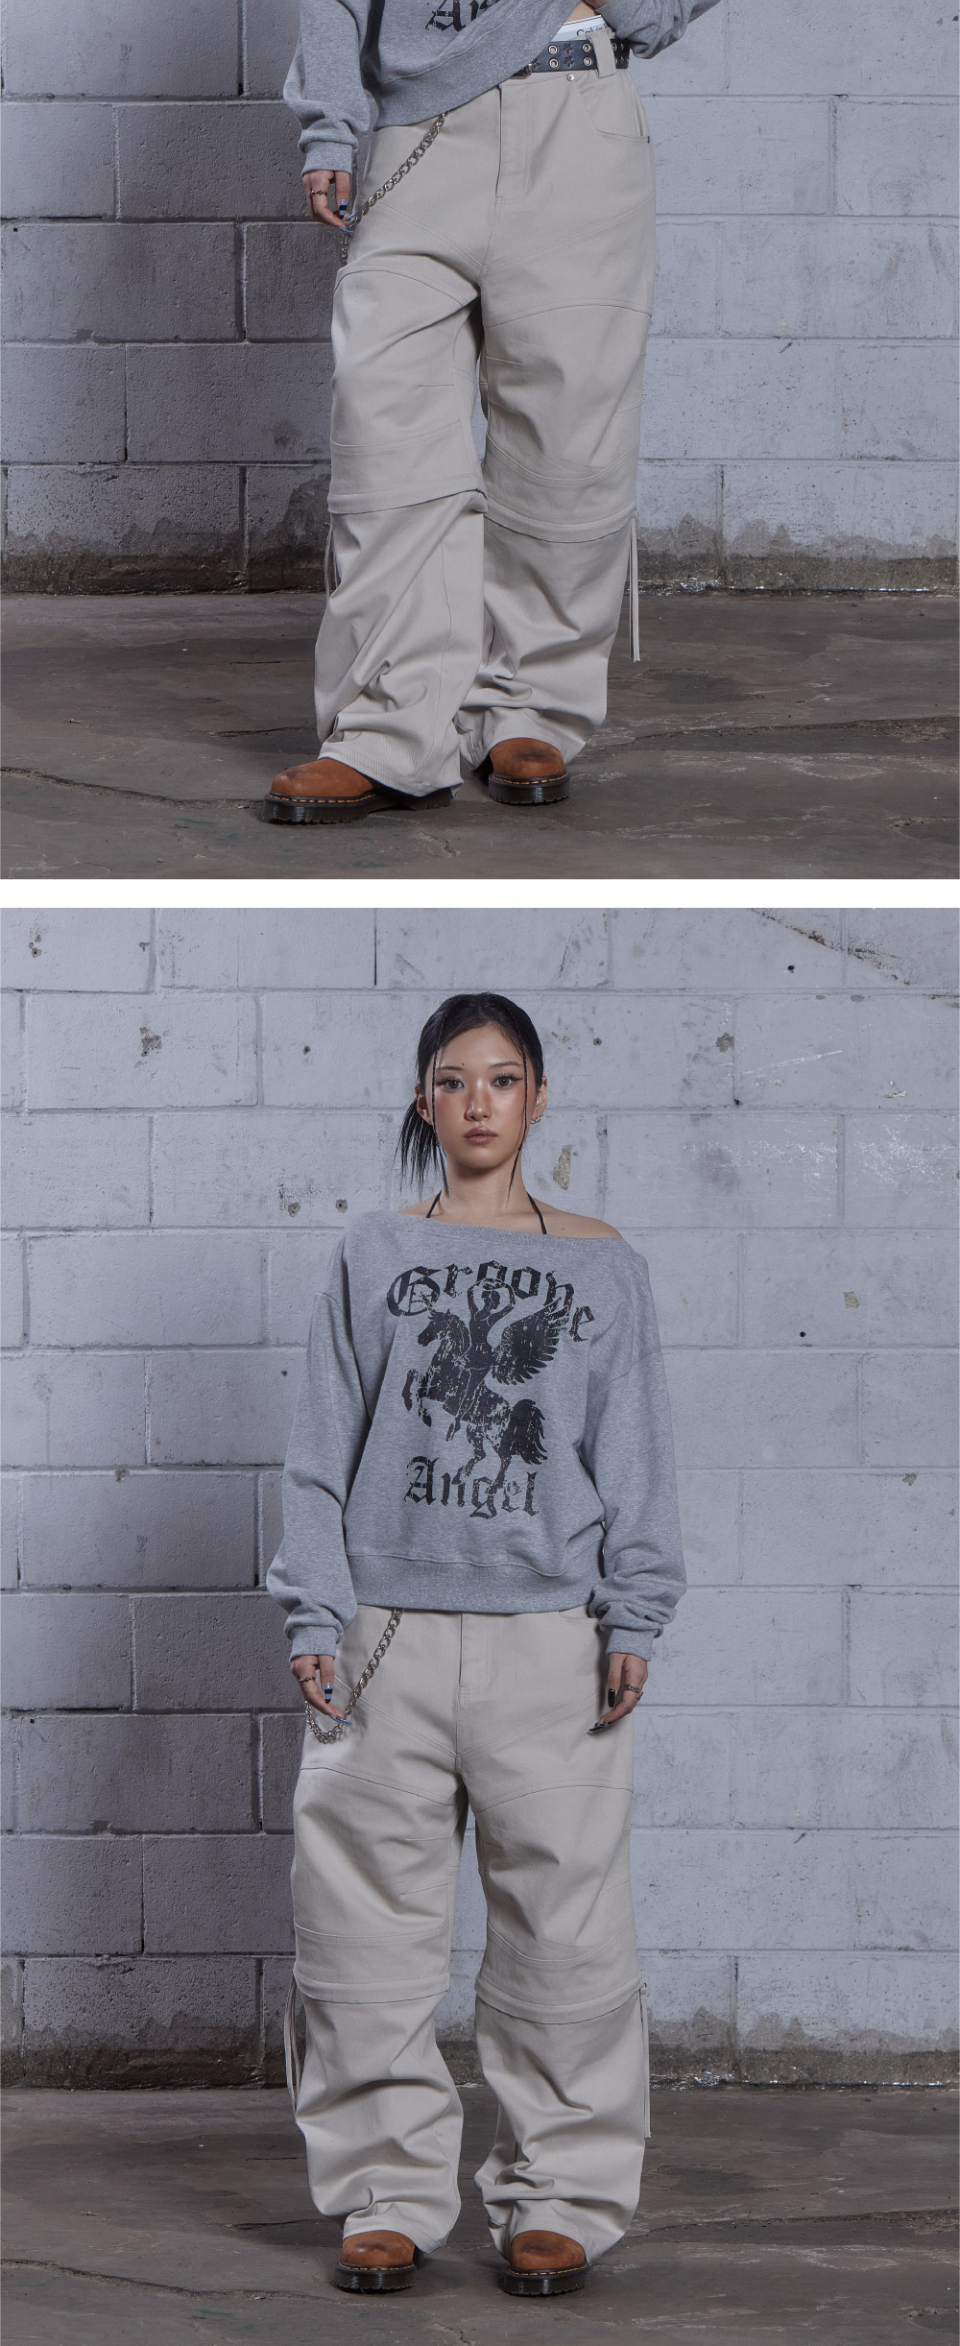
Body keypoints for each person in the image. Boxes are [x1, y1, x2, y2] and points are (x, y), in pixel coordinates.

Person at [268, 0, 731, 829]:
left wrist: (629, 3)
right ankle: (387, 732)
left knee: (566, 438)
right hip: (424, 138)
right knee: (388, 442)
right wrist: (328, 124)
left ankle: (529, 710)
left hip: (578, 129)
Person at [269, 976, 684, 2293]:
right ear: (424, 1100)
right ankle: (383, 2193)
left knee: (568, 1937)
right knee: (363, 1935)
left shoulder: (603, 1263)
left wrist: (635, 1610)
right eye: (454, 1080)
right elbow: (320, 1447)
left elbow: (635, 1452)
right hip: (384, 1638)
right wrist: (316, 1606)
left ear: (539, 1097)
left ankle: (560, 2194)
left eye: (502, 1079)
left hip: (550, 1639)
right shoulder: (371, 1253)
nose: (479, 1102)